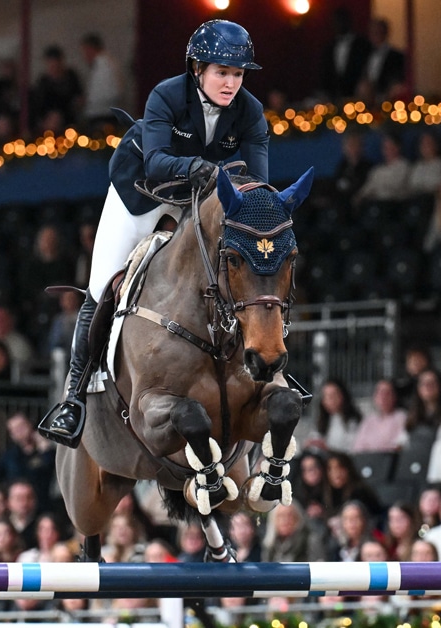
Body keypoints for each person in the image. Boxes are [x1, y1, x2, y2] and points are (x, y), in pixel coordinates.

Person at [39, 20, 269, 447]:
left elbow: (256, 181)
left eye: (237, 74)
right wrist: (204, 170)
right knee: (102, 282)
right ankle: (73, 398)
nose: (231, 83)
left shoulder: (251, 112)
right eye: (222, 72)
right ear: (197, 68)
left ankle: (262, 367)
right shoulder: (166, 94)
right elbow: (159, 162)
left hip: (194, 200)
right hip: (141, 194)